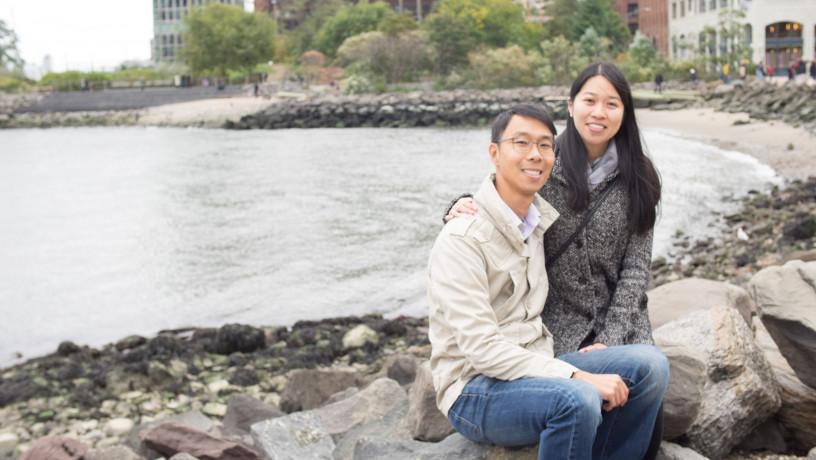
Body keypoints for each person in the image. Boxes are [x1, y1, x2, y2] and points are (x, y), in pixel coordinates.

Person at [429, 102, 669, 460]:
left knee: (650, 366)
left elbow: (633, 269)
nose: (535, 155)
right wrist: (574, 377)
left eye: (544, 145)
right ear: (494, 153)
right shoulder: (462, 239)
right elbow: (482, 349)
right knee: (579, 399)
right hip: (475, 388)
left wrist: (599, 347)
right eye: (521, 143)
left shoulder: (537, 223)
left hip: (533, 369)